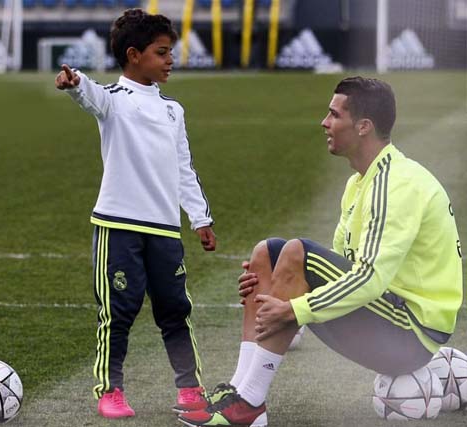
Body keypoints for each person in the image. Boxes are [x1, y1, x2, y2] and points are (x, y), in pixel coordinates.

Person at [178, 76, 463, 427]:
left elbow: (369, 278)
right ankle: (239, 392)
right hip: (388, 318)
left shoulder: (396, 184)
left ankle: (251, 403)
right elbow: (341, 262)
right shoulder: (360, 182)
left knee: (296, 252)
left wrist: (295, 307)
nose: (324, 123)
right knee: (267, 253)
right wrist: (272, 280)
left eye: (334, 115)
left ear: (363, 127)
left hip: (411, 336)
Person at [54, 8, 217, 419]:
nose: (170, 60)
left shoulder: (173, 111)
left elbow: (184, 168)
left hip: (164, 231)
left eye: (170, 52)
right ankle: (110, 389)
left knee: (176, 310)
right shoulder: (113, 101)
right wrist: (74, 83)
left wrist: (199, 218)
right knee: (118, 313)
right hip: (118, 227)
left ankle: (190, 387)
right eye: (161, 52)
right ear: (133, 55)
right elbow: (90, 93)